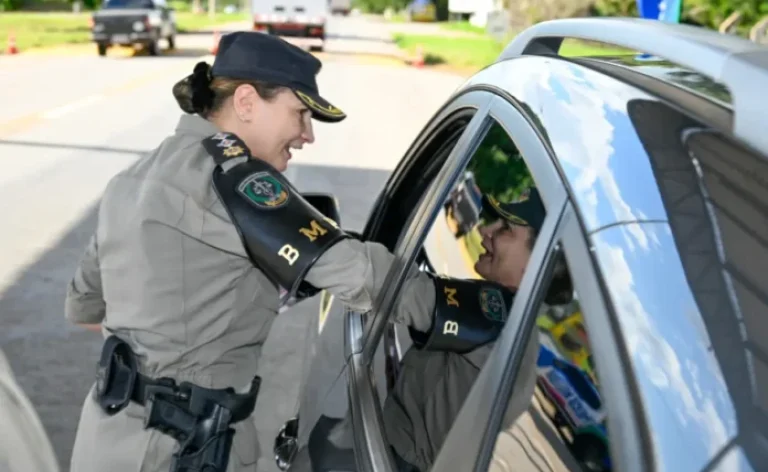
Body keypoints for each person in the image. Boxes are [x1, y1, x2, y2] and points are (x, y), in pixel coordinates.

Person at [64, 30, 449, 472]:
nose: (307, 135)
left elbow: (83, 307)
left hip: (108, 436)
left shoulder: (133, 178)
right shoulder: (233, 181)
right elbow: (359, 275)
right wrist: (469, 311)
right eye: (300, 113)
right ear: (246, 102)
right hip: (180, 447)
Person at [380, 188, 574, 472]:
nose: (485, 230)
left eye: (506, 229)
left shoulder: (493, 318)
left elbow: (387, 289)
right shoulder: (521, 336)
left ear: (537, 265)